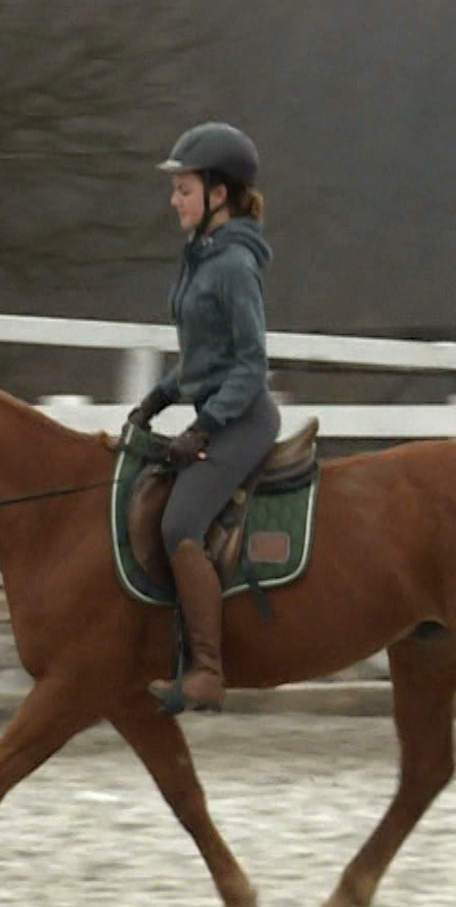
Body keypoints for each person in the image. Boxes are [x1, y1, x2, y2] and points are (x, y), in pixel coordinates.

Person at [126, 120, 281, 713]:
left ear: (219, 194)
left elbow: (248, 365)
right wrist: (157, 400)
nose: (174, 200)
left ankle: (209, 670)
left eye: (183, 189)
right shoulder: (202, 256)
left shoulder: (234, 265)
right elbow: (202, 359)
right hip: (217, 409)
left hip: (243, 421)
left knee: (178, 524)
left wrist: (203, 428)